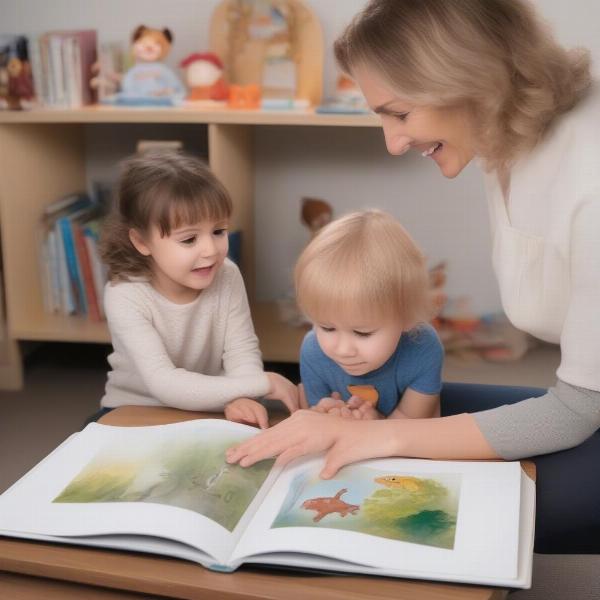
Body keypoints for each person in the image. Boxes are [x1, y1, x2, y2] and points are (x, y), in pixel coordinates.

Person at [227, 0, 600, 553]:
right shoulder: (503, 135)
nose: (392, 142)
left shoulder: (589, 182)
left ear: (470, 80)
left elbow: (574, 412)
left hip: (585, 408)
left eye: (399, 114)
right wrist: (362, 424)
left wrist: (374, 435)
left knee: (395, 504)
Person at [95, 150, 298, 428]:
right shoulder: (124, 294)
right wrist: (261, 384)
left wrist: (243, 395)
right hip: (137, 409)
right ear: (141, 242)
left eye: (218, 231)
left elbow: (241, 351)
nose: (211, 250)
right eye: (189, 239)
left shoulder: (227, 274)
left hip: (212, 404)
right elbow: (164, 383)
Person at [297, 209, 443, 421]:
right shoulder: (313, 350)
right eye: (327, 328)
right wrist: (324, 414)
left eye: (362, 333)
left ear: (407, 318)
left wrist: (374, 424)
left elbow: (412, 431)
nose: (343, 350)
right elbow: (312, 417)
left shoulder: (424, 349)